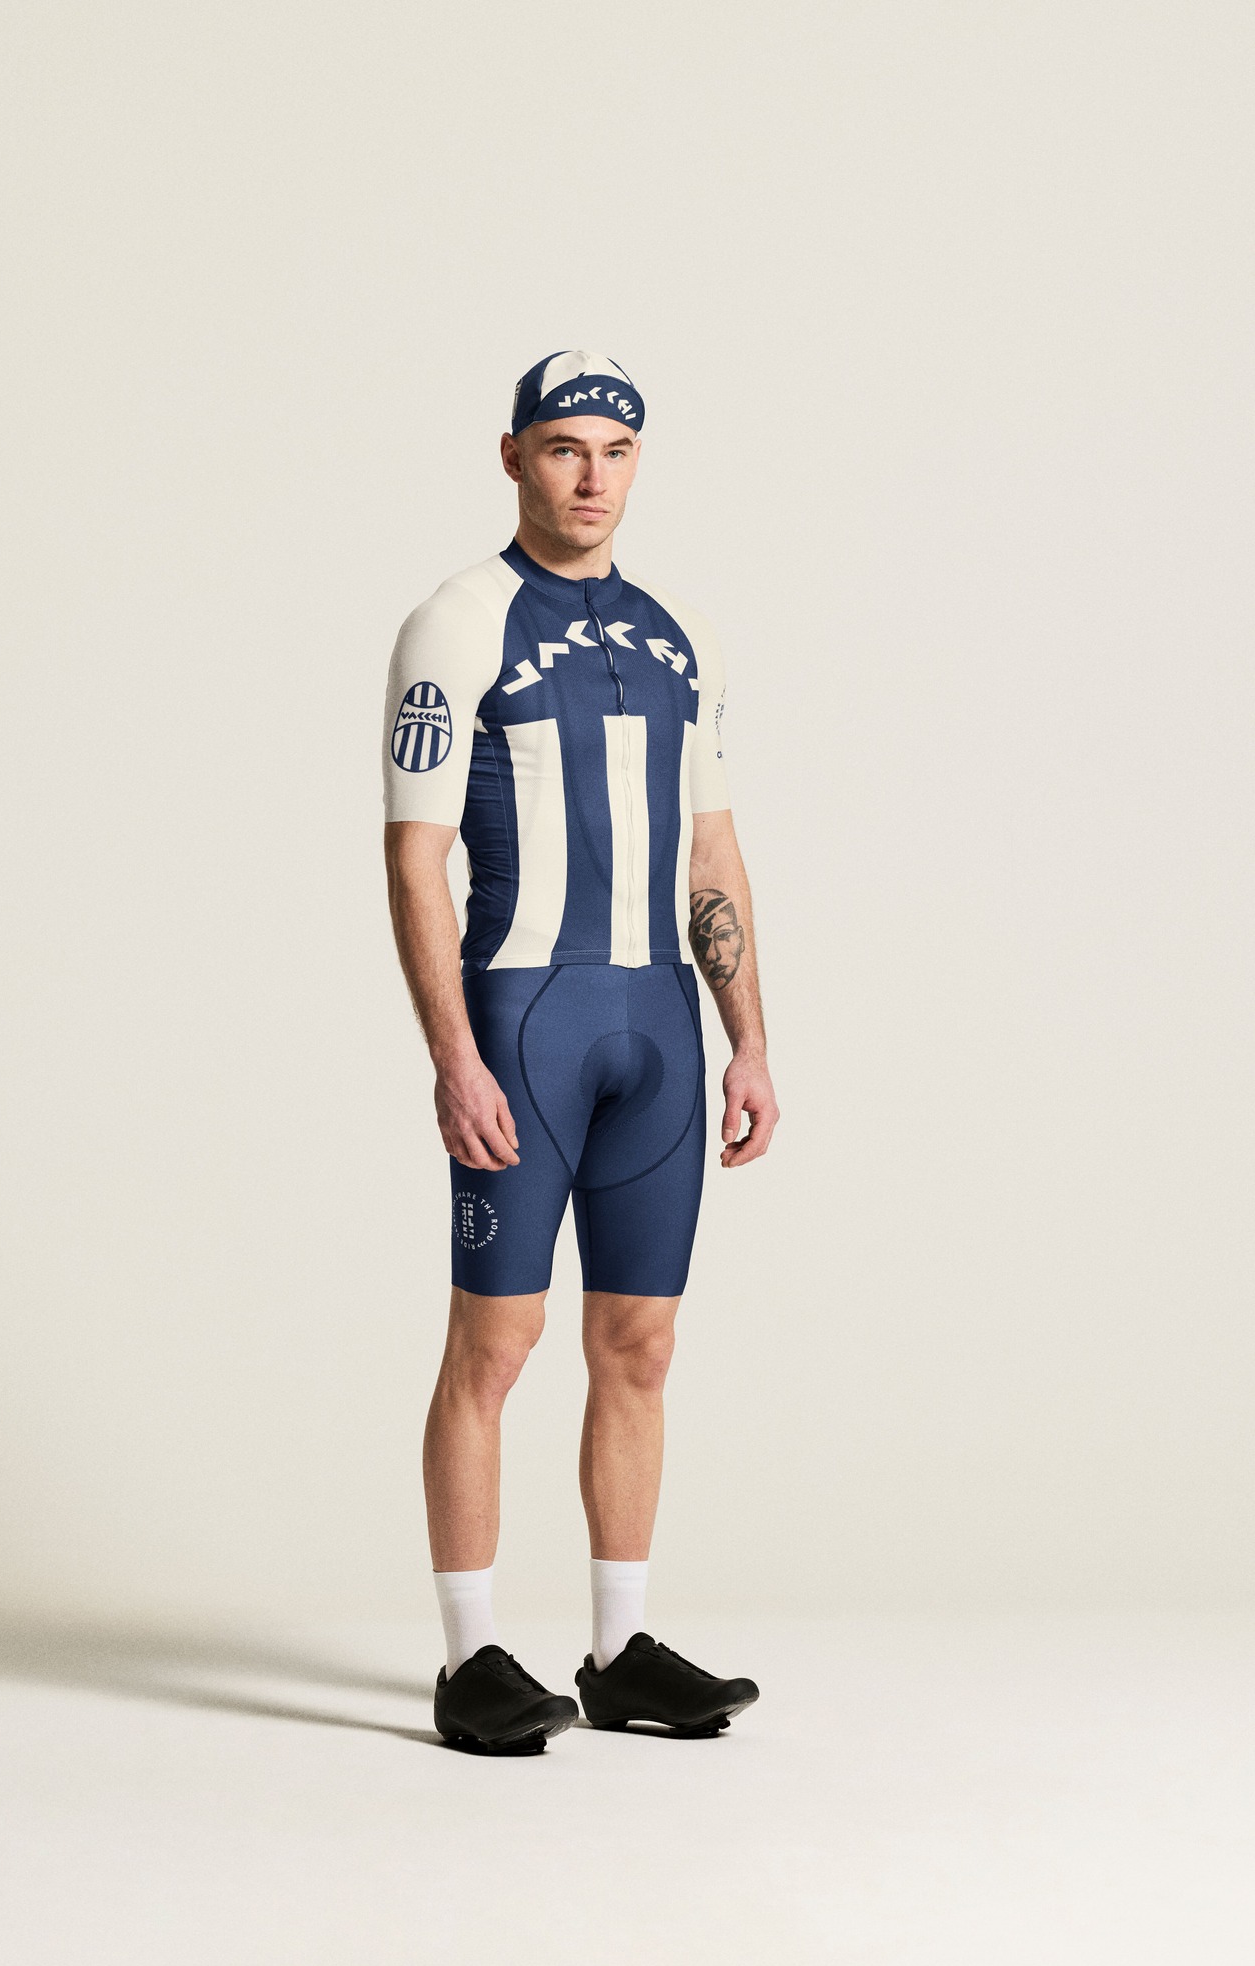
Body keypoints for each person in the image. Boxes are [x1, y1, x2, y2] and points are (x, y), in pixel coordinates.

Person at [383, 351, 779, 1753]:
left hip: (658, 1025)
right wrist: (453, 1054)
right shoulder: (457, 622)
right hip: (523, 1022)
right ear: (513, 458)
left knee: (641, 1342)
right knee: (495, 1343)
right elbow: (414, 856)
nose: (590, 476)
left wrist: (748, 1041)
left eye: (613, 450)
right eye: (562, 448)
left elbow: (711, 849)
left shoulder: (681, 635)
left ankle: (619, 1653)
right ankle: (470, 1660)